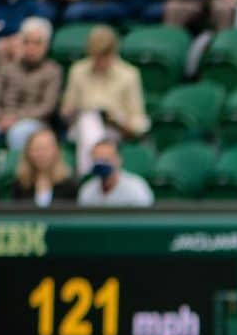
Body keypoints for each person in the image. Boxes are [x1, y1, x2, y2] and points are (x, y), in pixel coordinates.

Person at [60, 25, 149, 175]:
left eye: (104, 57)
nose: (99, 62)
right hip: (80, 127)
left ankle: (88, 175)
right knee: (88, 119)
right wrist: (73, 112)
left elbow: (138, 121)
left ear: (113, 52)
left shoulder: (129, 75)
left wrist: (117, 119)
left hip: (116, 131)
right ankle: (97, 170)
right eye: (95, 57)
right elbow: (66, 111)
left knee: (93, 124)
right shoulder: (77, 70)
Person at [0, 16, 61, 152]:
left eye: (37, 43)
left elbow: (47, 107)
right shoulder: (7, 67)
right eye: (26, 42)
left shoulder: (52, 71)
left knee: (18, 132)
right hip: (0, 118)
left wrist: (16, 118)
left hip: (33, 121)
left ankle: (17, 171)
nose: (31, 47)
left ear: (46, 46)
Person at [77, 137, 154, 207]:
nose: (101, 164)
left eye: (106, 160)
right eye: (97, 160)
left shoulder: (135, 188)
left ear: (118, 160)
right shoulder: (87, 190)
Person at [12, 127, 78, 205]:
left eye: (45, 149)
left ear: (56, 151)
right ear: (28, 153)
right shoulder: (20, 184)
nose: (41, 154)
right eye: (36, 149)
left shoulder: (69, 184)